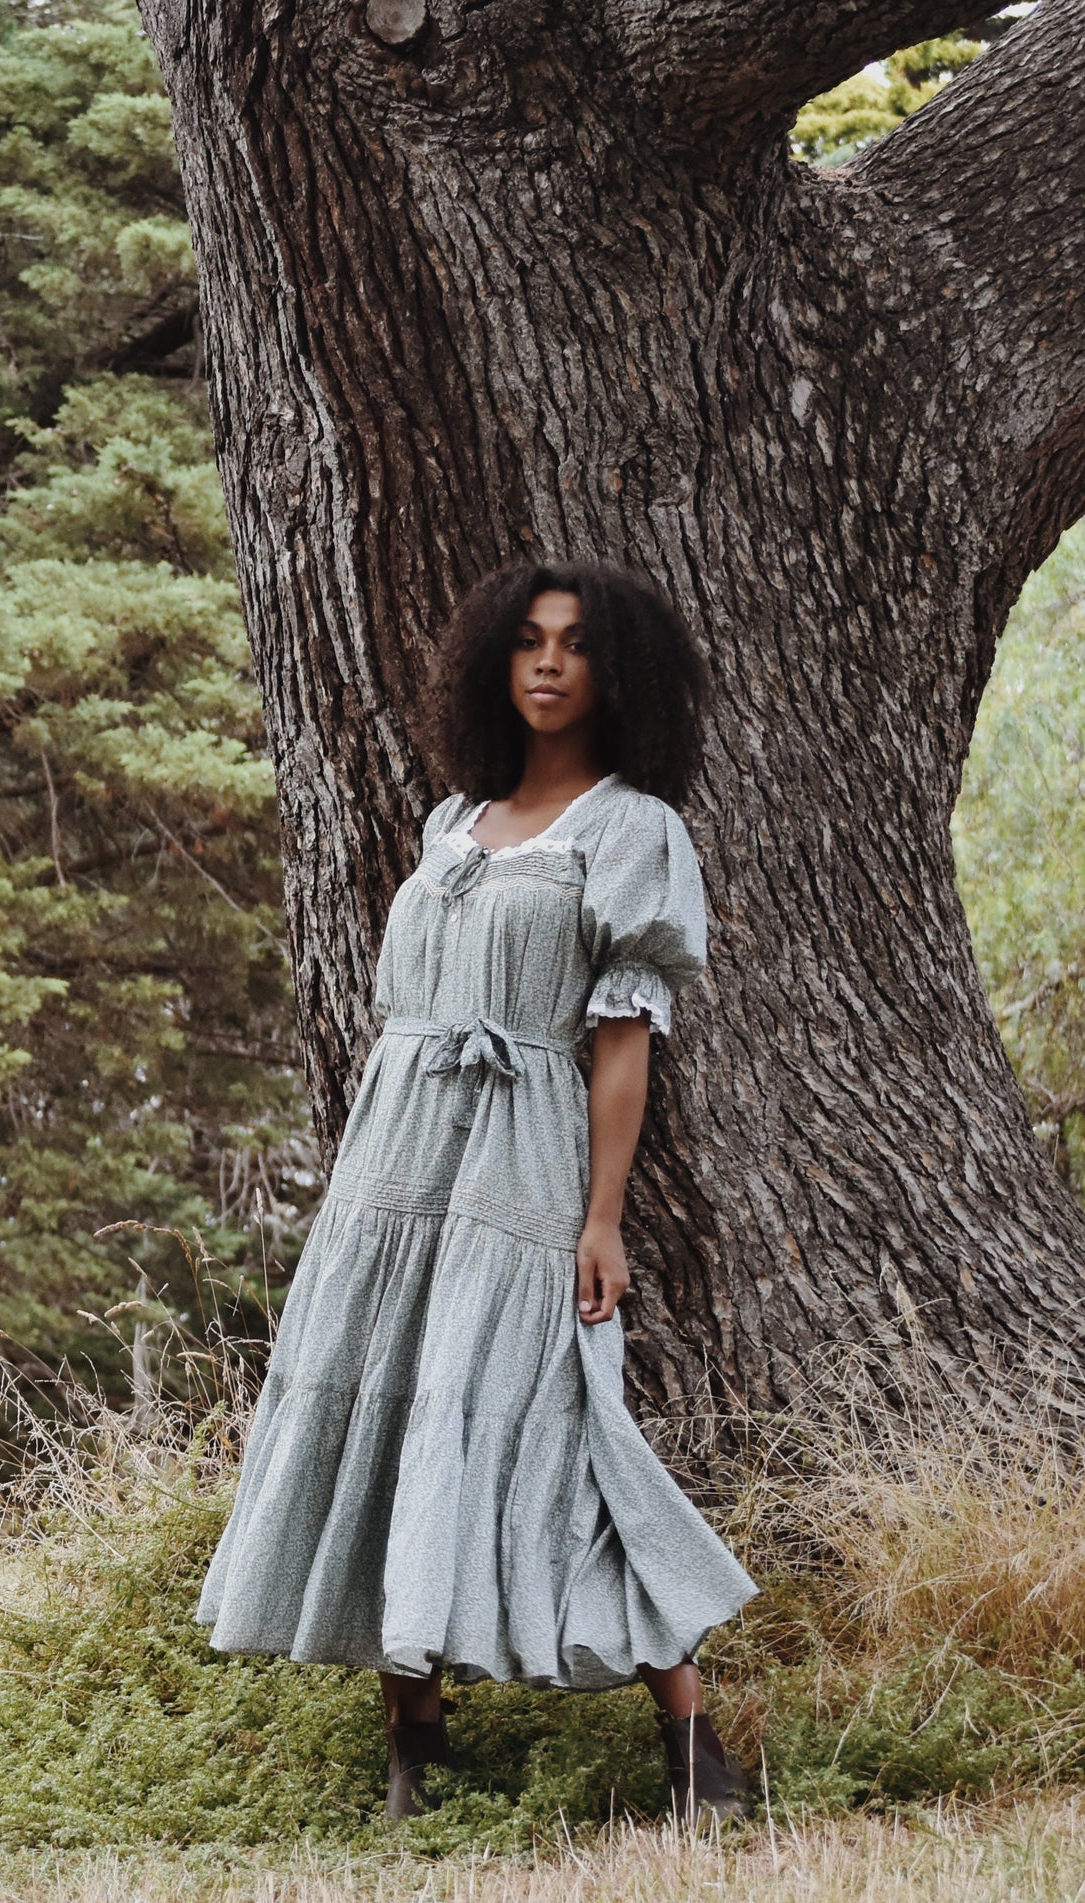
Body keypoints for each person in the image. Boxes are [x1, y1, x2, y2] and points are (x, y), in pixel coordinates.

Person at [196, 559, 758, 1826]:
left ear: (619, 677)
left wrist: (600, 1216)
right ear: (492, 667)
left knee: (559, 1422)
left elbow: (622, 1043)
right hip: (392, 1165)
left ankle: (693, 1749)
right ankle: (415, 1749)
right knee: (385, 1416)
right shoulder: (453, 822)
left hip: (518, 1157)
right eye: (526, 642)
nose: (548, 663)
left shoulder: (630, 829)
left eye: (574, 645)